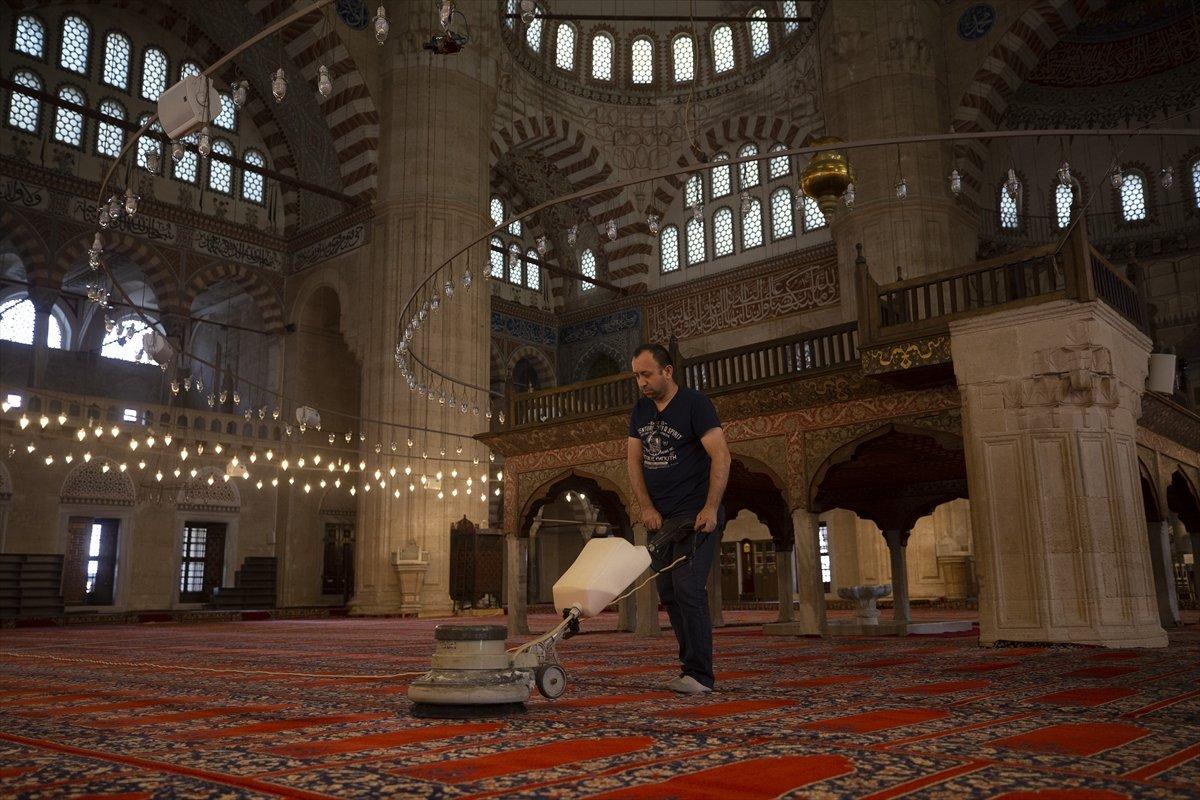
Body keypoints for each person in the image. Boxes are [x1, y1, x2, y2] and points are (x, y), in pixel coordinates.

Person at [626, 343, 730, 695]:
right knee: (669, 591)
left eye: (647, 374)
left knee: (688, 587)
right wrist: (647, 508)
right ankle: (688, 669)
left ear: (667, 371)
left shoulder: (695, 405)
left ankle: (701, 675)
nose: (642, 382)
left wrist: (711, 508)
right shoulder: (640, 410)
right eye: (637, 376)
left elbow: (721, 457)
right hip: (661, 519)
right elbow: (633, 462)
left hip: (696, 515)